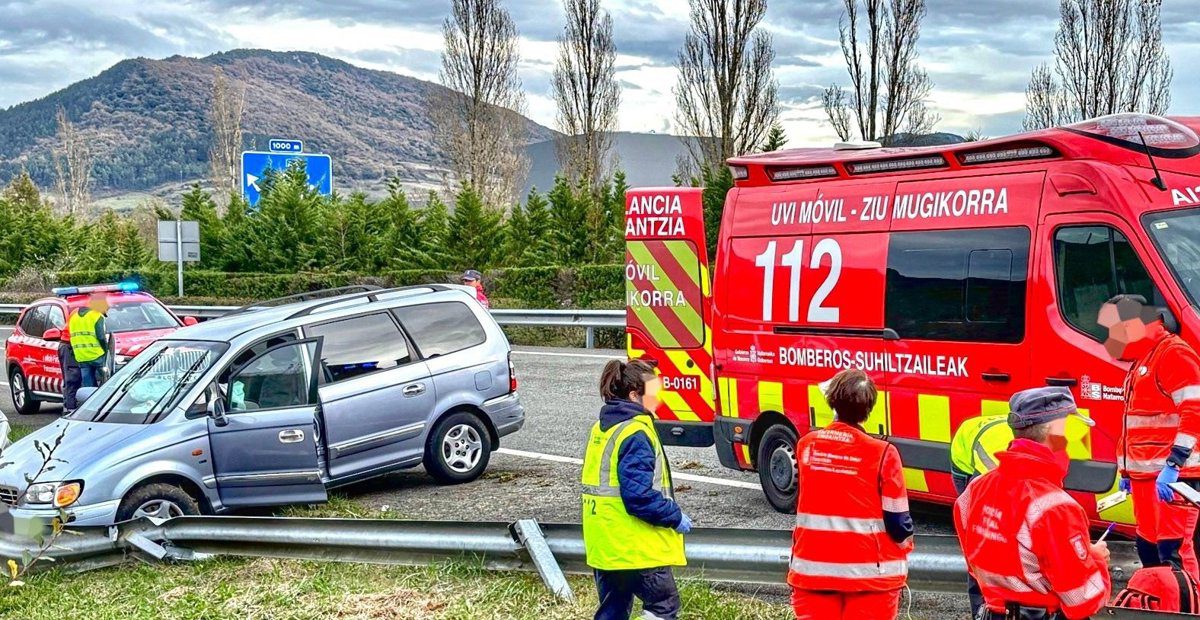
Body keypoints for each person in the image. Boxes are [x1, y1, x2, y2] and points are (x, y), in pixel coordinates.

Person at [955, 387, 1111, 619]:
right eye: (1068, 431)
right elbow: (1082, 601)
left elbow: (978, 563)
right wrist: (1095, 558)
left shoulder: (976, 488)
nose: (1069, 440)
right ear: (1052, 433)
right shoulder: (1056, 507)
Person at [788, 369, 914, 620]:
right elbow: (899, 523)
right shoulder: (883, 453)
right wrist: (905, 546)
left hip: (812, 573)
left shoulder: (806, 446)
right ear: (869, 408)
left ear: (832, 402)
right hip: (870, 579)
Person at [582, 359, 691, 620]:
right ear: (634, 395)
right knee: (663, 606)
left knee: (613, 612)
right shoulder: (636, 433)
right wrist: (674, 516)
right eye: (653, 393)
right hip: (636, 548)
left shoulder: (603, 428)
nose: (658, 400)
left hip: (606, 547)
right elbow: (638, 496)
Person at [1101, 294, 1200, 579]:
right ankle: (1161, 603)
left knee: (1174, 553)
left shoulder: (1173, 354)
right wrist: (1128, 471)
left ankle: (1187, 607)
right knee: (1148, 548)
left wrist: (1173, 466)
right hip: (1149, 478)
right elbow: (1135, 424)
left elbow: (1194, 412)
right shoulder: (1145, 357)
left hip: (1174, 476)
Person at [949, 413, 1014, 618]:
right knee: (981, 540)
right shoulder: (990, 468)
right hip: (963, 456)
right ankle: (980, 611)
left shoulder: (1045, 444)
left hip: (987, 434)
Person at [67, 292, 109, 390]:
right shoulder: (96, 315)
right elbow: (101, 337)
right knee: (108, 383)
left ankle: (91, 402)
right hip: (97, 355)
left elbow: (71, 337)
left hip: (82, 356)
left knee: (88, 387)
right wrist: (106, 351)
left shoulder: (74, 318)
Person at [58, 331, 82, 413]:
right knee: (72, 379)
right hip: (70, 346)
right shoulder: (74, 318)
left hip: (83, 349)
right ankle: (70, 410)